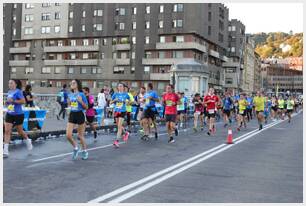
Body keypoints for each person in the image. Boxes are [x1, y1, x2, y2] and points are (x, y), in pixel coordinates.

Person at [3, 79, 33, 158]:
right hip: (9, 113)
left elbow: (23, 101)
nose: (9, 84)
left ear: (15, 84)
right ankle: (5, 151)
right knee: (7, 131)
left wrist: (13, 101)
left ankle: (28, 140)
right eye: (9, 83)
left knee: (20, 131)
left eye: (11, 83)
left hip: (18, 114)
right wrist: (6, 102)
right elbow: (9, 102)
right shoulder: (9, 92)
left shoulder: (18, 91)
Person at [66, 79, 89, 160]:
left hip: (80, 114)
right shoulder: (70, 94)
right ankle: (76, 148)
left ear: (77, 85)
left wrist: (81, 101)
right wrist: (68, 103)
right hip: (72, 114)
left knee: (80, 136)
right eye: (71, 83)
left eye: (74, 83)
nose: (72, 84)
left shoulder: (82, 94)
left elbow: (86, 107)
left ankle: (85, 151)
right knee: (68, 135)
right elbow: (70, 105)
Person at [110, 83, 130, 148]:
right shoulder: (115, 94)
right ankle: (126, 133)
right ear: (117, 87)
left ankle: (116, 141)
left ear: (123, 87)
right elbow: (110, 102)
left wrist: (126, 102)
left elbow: (129, 102)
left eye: (121, 86)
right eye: (119, 86)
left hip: (122, 111)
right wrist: (115, 100)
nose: (120, 87)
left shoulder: (126, 94)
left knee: (119, 126)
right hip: (116, 111)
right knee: (118, 125)